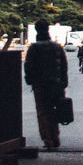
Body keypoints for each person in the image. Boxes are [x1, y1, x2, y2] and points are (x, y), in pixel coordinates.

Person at [23, 19, 68, 150]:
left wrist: (31, 81)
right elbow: (64, 66)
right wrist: (63, 82)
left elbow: (29, 67)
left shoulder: (34, 48)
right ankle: (56, 136)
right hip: (57, 84)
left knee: (43, 112)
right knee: (55, 110)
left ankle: (48, 139)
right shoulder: (57, 47)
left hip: (41, 85)